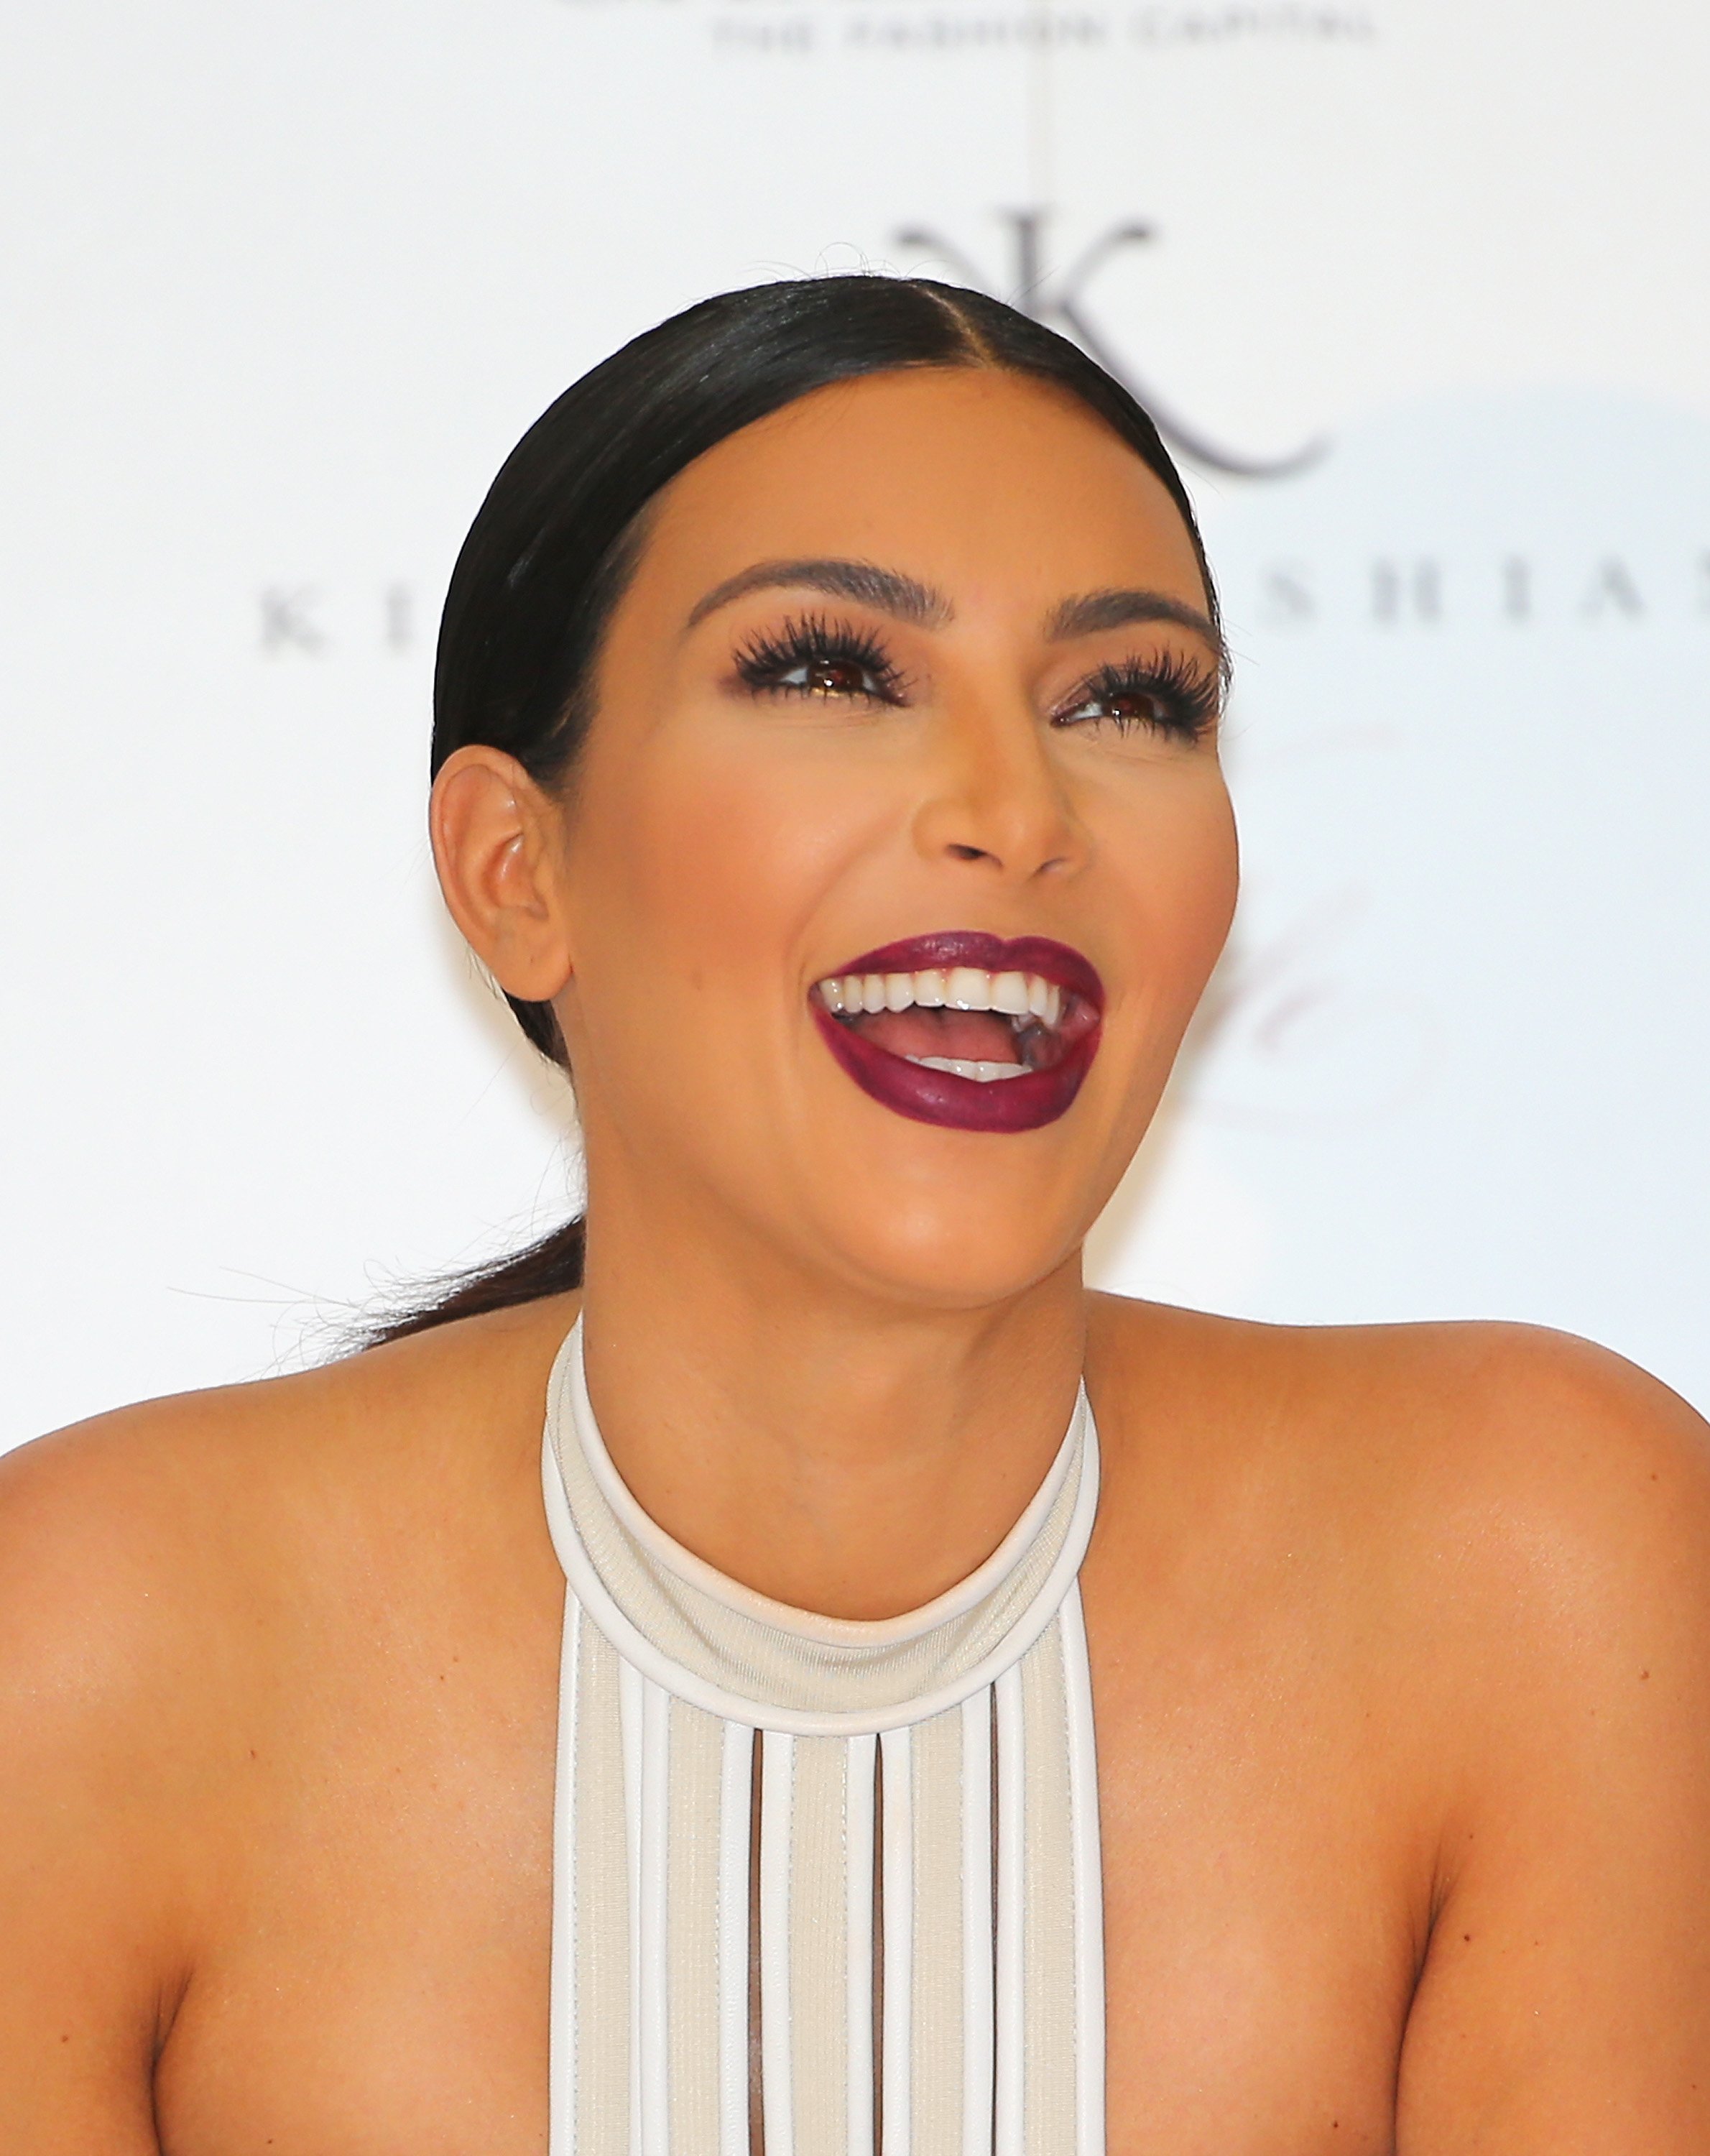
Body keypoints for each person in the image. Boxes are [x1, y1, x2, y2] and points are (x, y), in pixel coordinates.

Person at [3, 275, 1708, 2155]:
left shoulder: (1531, 1555)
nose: (1013, 805)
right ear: (514, 872)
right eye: (827, 672)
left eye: (1128, 699)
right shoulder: (89, 1630)